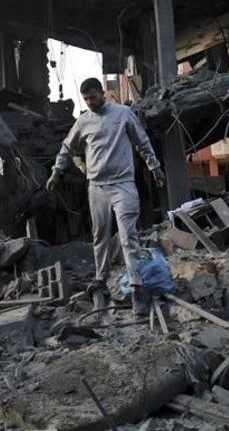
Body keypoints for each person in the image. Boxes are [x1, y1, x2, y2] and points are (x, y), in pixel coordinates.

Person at [47, 77, 166, 314]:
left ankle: (137, 288)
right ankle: (101, 278)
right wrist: (56, 172)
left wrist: (154, 167)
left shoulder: (123, 114)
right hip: (97, 187)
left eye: (93, 97)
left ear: (102, 93)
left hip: (123, 185)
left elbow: (142, 142)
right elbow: (67, 147)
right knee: (99, 235)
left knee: (127, 236)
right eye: (86, 99)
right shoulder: (83, 121)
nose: (90, 102)